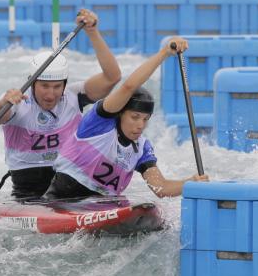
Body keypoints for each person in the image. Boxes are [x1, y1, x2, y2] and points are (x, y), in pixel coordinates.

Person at [0, 9, 122, 199]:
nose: (50, 94)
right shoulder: (17, 101)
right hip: (28, 188)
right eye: (44, 86)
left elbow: (113, 77)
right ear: (33, 82)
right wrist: (2, 103)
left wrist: (93, 33)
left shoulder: (73, 96)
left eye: (56, 87)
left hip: (69, 180)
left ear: (64, 84)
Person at [44, 37, 209, 199]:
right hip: (61, 199)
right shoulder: (99, 122)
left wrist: (191, 182)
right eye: (135, 117)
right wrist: (164, 53)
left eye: (145, 119)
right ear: (121, 113)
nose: (140, 125)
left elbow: (161, 189)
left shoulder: (142, 148)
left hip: (98, 207)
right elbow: (129, 86)